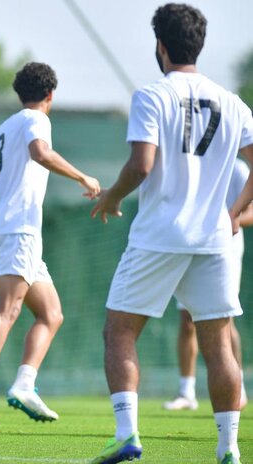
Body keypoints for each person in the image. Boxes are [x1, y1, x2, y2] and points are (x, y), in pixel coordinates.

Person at [90, 4, 253, 463]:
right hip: (216, 240)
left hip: (160, 234)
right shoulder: (235, 102)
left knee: (120, 331)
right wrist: (236, 212)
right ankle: (229, 449)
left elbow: (141, 165)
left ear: (160, 46)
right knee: (219, 344)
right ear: (199, 46)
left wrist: (112, 197)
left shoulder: (151, 95)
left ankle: (127, 434)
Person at [0, 62, 100, 425]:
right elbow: (41, 153)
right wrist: (83, 175)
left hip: (11, 232)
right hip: (17, 232)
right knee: (7, 310)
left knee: (51, 313)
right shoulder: (37, 120)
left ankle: (24, 384)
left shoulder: (2, 129)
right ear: (50, 95)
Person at [164, 158, 253, 412]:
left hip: (226, 249)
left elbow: (251, 212)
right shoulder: (189, 162)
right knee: (186, 319)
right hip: (190, 247)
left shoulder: (238, 168)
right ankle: (186, 392)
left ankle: (239, 389)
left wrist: (228, 222)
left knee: (224, 320)